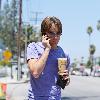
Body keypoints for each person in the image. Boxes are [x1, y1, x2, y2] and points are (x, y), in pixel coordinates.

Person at [27, 16, 70, 100]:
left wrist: (66, 80)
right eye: (51, 33)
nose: (56, 37)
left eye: (58, 33)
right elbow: (35, 72)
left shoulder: (64, 54)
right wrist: (47, 49)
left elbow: (64, 82)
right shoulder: (33, 47)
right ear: (44, 33)